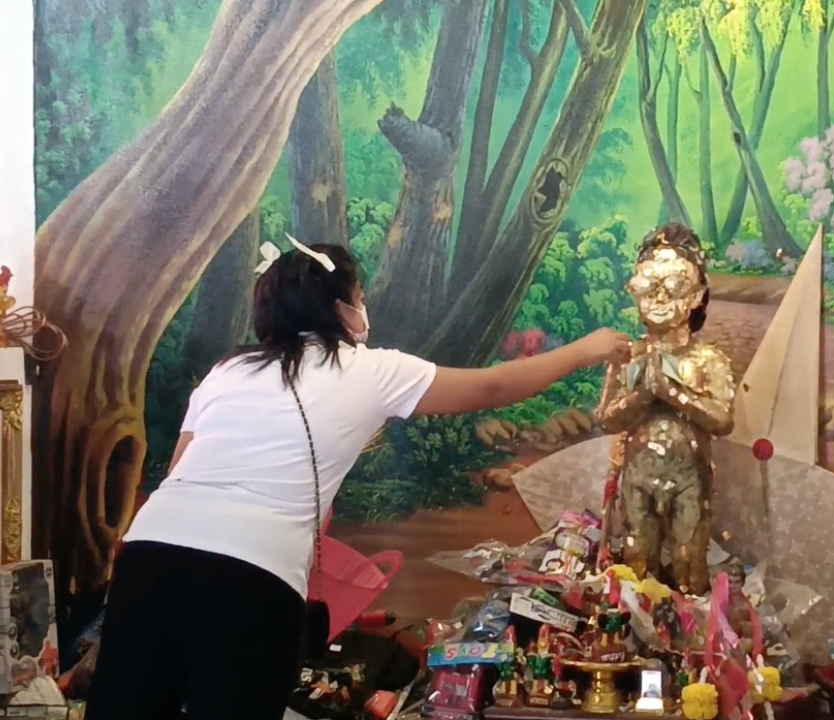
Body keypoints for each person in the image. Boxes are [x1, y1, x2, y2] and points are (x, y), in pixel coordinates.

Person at [85, 241, 631, 720]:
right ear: (340, 309)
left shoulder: (229, 370)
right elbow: (493, 387)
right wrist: (587, 350)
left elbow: (179, 472)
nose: (363, 309)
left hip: (150, 553)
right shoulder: (370, 368)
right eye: (360, 296)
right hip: (250, 574)